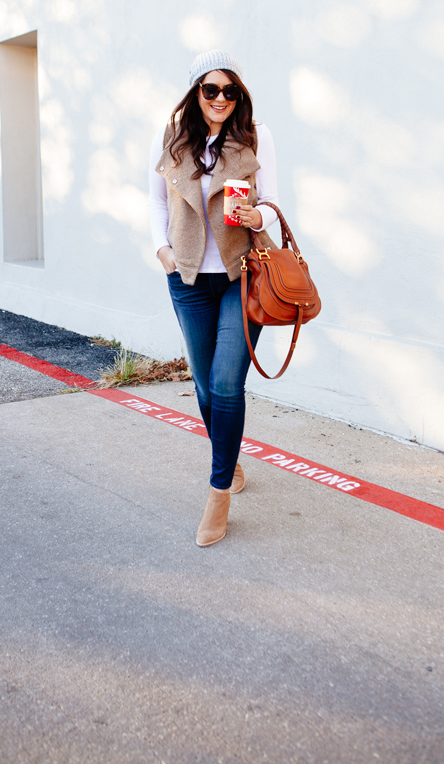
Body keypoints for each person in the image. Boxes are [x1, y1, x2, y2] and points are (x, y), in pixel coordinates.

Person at [148, 50, 279, 547]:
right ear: (195, 93)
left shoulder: (255, 135)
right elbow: (155, 199)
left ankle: (218, 491)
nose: (221, 98)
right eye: (211, 89)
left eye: (230, 90)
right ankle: (231, 457)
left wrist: (258, 218)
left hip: (240, 274)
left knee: (226, 384)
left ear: (238, 94)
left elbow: (274, 199)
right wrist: (161, 250)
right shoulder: (174, 136)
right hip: (186, 279)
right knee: (204, 389)